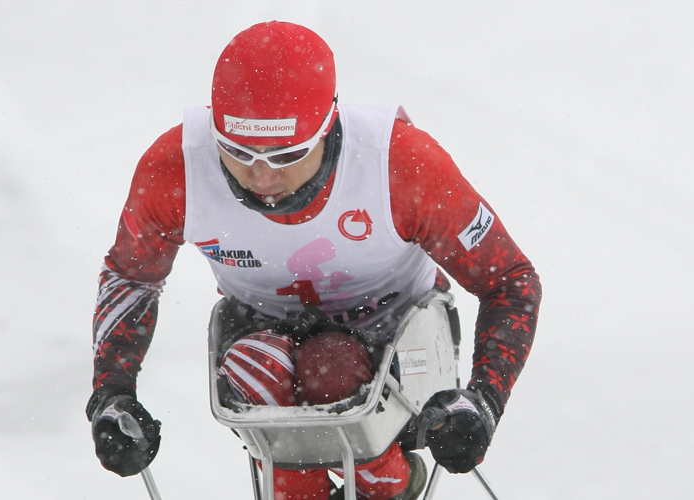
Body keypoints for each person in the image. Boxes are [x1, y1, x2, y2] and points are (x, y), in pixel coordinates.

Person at [86, 20, 541, 500]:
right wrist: (112, 394)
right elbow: (129, 277)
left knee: (333, 366)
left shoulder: (402, 164)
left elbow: (511, 280)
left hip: (403, 340)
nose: (260, 175)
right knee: (253, 369)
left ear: (330, 124)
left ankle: (392, 481)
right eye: (237, 151)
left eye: (286, 154)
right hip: (265, 341)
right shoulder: (173, 168)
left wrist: (485, 399)